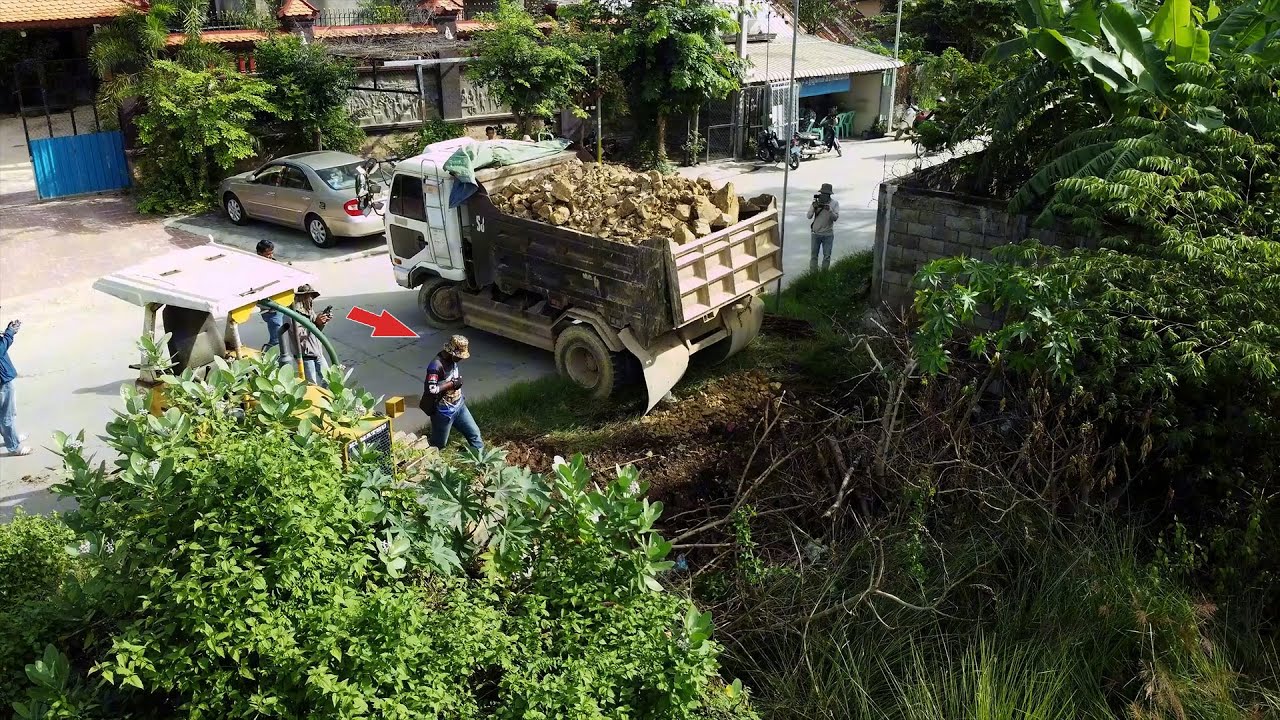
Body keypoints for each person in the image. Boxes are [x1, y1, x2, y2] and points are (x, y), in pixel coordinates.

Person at [420, 335, 483, 453]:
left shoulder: (452, 360)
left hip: (459, 406)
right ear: (450, 352)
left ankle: (480, 461)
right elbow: (431, 389)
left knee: (474, 434)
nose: (461, 359)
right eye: (459, 356)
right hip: (444, 412)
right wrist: (452, 384)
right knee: (439, 444)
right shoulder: (435, 366)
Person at [282, 284, 332, 384]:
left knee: (329, 380)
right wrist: (316, 323)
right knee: (312, 384)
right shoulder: (292, 314)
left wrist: (322, 322)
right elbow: (300, 335)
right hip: (305, 356)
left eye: (312, 297)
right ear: (301, 297)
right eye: (309, 296)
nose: (311, 300)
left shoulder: (309, 311)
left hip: (317, 352)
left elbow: (317, 330)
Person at [0, 314, 30, 457]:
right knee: (7, 414)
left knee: (4, 414)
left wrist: (8, 331)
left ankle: (11, 438)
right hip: (2, 381)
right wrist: (10, 334)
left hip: (3, 378)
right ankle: (13, 447)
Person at [256, 240, 285, 357]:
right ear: (259, 253)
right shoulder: (255, 268)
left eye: (272, 253)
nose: (271, 256)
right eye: (268, 254)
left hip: (280, 305)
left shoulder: (274, 263)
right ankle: (264, 358)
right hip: (270, 310)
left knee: (282, 337)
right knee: (276, 339)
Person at [807, 183, 840, 273]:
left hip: (828, 234)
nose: (823, 196)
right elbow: (809, 216)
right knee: (814, 256)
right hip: (815, 233)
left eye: (825, 194)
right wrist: (813, 208)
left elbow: (835, 218)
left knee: (827, 256)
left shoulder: (834, 204)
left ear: (829, 195)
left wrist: (829, 210)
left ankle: (824, 274)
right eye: (822, 194)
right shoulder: (816, 203)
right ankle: (813, 274)